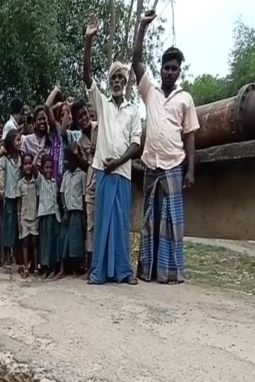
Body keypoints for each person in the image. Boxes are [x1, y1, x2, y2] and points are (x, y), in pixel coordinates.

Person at [132, 11, 200, 284]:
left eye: (174, 68)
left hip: (174, 164)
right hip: (151, 164)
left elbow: (190, 135)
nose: (169, 72)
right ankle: (147, 271)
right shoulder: (150, 91)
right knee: (150, 220)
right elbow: (136, 60)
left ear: (179, 71)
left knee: (172, 222)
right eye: (166, 67)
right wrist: (142, 28)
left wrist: (191, 170)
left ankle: (170, 274)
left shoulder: (185, 98)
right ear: (160, 69)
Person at [84, 15, 143, 286]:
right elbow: (87, 78)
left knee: (120, 224)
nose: (117, 81)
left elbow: (136, 144)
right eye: (113, 78)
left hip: (122, 173)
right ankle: (98, 272)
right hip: (103, 173)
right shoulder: (102, 103)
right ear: (110, 83)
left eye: (121, 77)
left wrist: (117, 162)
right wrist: (88, 41)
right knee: (102, 222)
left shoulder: (133, 110)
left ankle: (123, 272)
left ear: (126, 82)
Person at [69, 99, 98, 277]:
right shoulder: (79, 141)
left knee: (104, 223)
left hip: (105, 179)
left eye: (85, 114)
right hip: (91, 182)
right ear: (76, 120)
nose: (84, 118)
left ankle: (104, 264)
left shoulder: (100, 128)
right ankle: (91, 266)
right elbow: (86, 166)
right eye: (80, 117)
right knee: (90, 225)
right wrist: (74, 154)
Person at [0, 129, 23, 271]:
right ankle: (6, 258)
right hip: (9, 197)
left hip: (20, 197)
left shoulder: (22, 158)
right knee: (8, 227)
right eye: (17, 140)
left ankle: (18, 258)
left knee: (19, 227)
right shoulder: (5, 160)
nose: (20, 142)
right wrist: (1, 152)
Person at [59, 144, 87, 277]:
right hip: (68, 211)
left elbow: (84, 195)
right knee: (65, 239)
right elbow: (62, 193)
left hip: (77, 210)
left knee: (76, 241)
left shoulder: (81, 175)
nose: (65, 163)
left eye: (68, 160)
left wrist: (85, 216)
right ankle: (64, 268)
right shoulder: (66, 175)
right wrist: (64, 209)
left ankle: (76, 269)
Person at [37, 154, 61, 279]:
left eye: (51, 168)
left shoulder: (55, 181)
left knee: (53, 243)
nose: (49, 170)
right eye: (46, 167)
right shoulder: (40, 180)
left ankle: (54, 268)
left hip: (55, 215)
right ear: (42, 168)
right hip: (44, 215)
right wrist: (38, 154)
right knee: (45, 243)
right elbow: (35, 169)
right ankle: (45, 267)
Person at [17, 154, 40, 278]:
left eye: (30, 163)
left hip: (34, 216)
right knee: (25, 243)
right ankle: (26, 268)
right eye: (25, 164)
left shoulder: (36, 182)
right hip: (24, 218)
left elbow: (38, 198)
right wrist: (19, 219)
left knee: (35, 243)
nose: (28, 166)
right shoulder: (20, 184)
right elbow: (19, 202)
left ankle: (36, 268)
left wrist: (38, 216)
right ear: (22, 166)